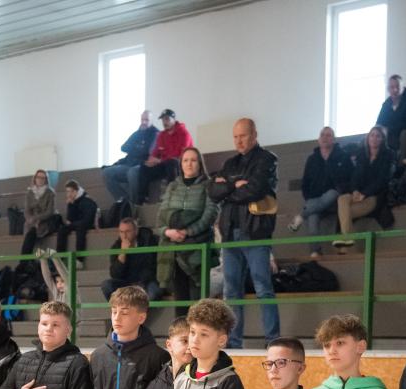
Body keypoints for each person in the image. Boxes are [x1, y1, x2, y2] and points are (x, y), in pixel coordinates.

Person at [210, 118, 279, 347]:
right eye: (235, 137)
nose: (239, 141)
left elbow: (255, 189)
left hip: (256, 232)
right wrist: (235, 185)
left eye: (243, 136)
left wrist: (228, 187)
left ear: (254, 135)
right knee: (231, 291)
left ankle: (272, 341)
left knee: (263, 288)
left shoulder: (267, 159)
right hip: (230, 233)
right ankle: (233, 342)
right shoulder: (230, 162)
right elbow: (213, 191)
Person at [156, 146, 219, 312]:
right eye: (185, 160)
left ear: (200, 164)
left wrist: (188, 232)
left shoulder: (208, 185)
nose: (189, 164)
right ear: (181, 164)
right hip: (174, 250)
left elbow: (210, 214)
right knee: (181, 301)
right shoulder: (172, 186)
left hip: (198, 248)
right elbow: (161, 218)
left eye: (193, 160)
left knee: (199, 302)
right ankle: (181, 329)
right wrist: (168, 232)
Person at [332, 126, 396, 253]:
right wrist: (355, 190)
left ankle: (346, 243)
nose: (374, 138)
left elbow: (382, 180)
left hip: (373, 196)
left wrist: (365, 194)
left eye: (378, 136)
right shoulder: (362, 154)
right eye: (372, 135)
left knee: (345, 212)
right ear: (368, 138)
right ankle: (348, 240)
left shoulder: (388, 155)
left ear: (382, 139)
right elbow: (355, 176)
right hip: (358, 193)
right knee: (342, 199)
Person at [288, 126, 350, 258]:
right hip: (315, 200)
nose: (325, 137)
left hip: (334, 200)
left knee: (332, 193)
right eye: (322, 135)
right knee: (313, 218)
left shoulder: (343, 156)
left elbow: (349, 179)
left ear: (333, 139)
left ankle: (301, 216)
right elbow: (305, 182)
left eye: (328, 135)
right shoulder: (312, 159)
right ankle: (315, 251)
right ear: (318, 139)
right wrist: (308, 198)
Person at [129, 108, 194, 204]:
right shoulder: (162, 135)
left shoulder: (184, 133)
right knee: (144, 167)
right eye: (163, 120)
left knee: (172, 163)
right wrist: (151, 161)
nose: (164, 122)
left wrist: (160, 161)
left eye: (167, 119)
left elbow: (181, 156)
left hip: (182, 165)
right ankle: (142, 201)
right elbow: (155, 153)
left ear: (174, 120)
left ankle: (173, 196)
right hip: (165, 164)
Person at [104, 110, 158, 204]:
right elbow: (124, 147)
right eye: (142, 120)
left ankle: (134, 204)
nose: (144, 122)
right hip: (129, 164)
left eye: (147, 120)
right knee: (106, 172)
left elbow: (148, 151)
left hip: (143, 166)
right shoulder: (137, 133)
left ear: (152, 121)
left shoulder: (155, 134)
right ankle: (125, 202)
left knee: (132, 172)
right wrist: (137, 147)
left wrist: (135, 149)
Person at [101, 217, 160, 301]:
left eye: (128, 231)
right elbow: (115, 274)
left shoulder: (150, 241)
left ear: (136, 231)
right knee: (107, 285)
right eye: (121, 232)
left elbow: (153, 266)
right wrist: (123, 253)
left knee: (153, 292)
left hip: (147, 281)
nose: (124, 235)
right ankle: (124, 309)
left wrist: (141, 283)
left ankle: (139, 309)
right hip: (127, 283)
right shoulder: (116, 247)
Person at [376, 74, 406, 159]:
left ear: (403, 87)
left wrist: (388, 129)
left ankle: (402, 166)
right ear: (388, 89)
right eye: (392, 87)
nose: (395, 90)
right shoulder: (386, 104)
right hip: (392, 136)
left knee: (404, 134)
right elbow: (379, 123)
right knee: (373, 136)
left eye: (397, 87)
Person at [56, 179, 98, 264]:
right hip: (76, 224)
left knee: (80, 228)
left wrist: (74, 223)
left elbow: (88, 218)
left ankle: (79, 260)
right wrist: (70, 205)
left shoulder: (87, 200)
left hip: (86, 223)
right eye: (67, 192)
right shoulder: (72, 201)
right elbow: (70, 220)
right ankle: (60, 258)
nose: (68, 194)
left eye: (70, 191)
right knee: (62, 229)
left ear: (76, 191)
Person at [20, 169, 60, 256]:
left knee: (32, 233)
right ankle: (25, 259)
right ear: (35, 178)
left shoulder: (50, 193)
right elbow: (27, 210)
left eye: (43, 178)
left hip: (45, 221)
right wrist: (31, 220)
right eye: (38, 177)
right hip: (31, 221)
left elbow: (50, 211)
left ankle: (24, 259)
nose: (40, 179)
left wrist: (37, 219)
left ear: (46, 180)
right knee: (30, 231)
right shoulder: (30, 193)